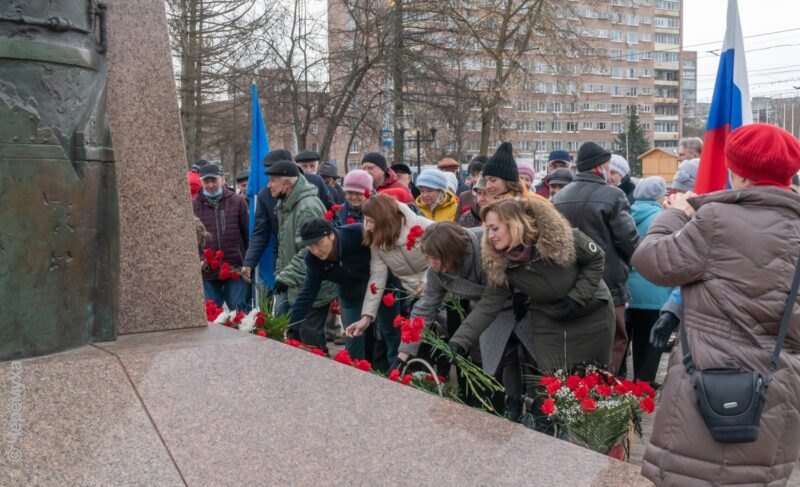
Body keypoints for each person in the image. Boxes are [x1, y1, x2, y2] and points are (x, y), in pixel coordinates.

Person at [631, 124, 800, 485]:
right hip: (778, 389)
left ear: (736, 171)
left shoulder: (716, 218)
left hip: (707, 385)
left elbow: (651, 260)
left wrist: (675, 213)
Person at [448, 197, 614, 426]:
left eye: (495, 228)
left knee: (591, 379)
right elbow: (488, 304)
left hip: (590, 314)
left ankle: (591, 431)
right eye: (487, 230)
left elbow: (596, 258)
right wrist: (459, 341)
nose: (490, 235)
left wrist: (576, 298)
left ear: (514, 224)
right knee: (552, 383)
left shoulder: (560, 237)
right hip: (550, 319)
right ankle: (551, 432)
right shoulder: (500, 262)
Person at [397, 221, 522, 413]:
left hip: (521, 303)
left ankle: (537, 413)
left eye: (436, 258)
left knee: (533, 364)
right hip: (484, 314)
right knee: (491, 367)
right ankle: (504, 409)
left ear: (453, 253)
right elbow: (425, 308)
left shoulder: (485, 248)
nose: (433, 264)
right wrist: (403, 355)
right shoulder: (437, 273)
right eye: (428, 258)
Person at [552, 141, 639, 375]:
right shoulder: (613, 195)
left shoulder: (558, 198)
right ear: (600, 167)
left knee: (578, 341)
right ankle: (605, 395)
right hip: (609, 283)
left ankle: (578, 394)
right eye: (608, 166)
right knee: (614, 341)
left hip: (569, 283)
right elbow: (629, 241)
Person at [344, 194, 433, 364]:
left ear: (384, 218)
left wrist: (427, 279)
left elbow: (445, 252)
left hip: (441, 286)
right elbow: (377, 277)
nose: (367, 227)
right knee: (421, 345)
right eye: (366, 220)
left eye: (371, 221)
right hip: (414, 295)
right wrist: (367, 317)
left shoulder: (422, 226)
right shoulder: (378, 241)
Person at [265, 160, 336, 351]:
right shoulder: (285, 202)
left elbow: (311, 250)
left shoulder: (307, 207)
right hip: (296, 285)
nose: (269, 185)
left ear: (287, 184)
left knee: (311, 344)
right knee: (297, 340)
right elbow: (285, 246)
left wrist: (285, 276)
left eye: (273, 180)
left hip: (312, 287)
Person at [241, 149, 333, 284]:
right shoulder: (265, 195)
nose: (269, 183)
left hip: (315, 255)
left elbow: (332, 214)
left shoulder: (315, 182)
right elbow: (260, 232)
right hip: (284, 259)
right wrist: (249, 261)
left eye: (275, 174)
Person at [288, 218, 374, 359]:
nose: (315, 250)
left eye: (319, 243)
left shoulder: (357, 233)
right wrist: (291, 326)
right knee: (353, 341)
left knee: (383, 336)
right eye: (310, 246)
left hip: (378, 288)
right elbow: (308, 293)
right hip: (350, 294)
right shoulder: (312, 260)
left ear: (331, 235)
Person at [624, 177, 671, 383]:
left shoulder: (625, 214)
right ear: (660, 196)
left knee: (625, 341)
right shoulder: (662, 218)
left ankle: (621, 386)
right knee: (650, 343)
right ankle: (643, 387)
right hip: (654, 290)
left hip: (627, 289)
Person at [192, 164, 250, 311]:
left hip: (235, 266)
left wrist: (249, 262)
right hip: (207, 270)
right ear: (201, 182)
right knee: (210, 312)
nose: (210, 185)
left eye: (214, 180)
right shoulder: (194, 206)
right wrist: (198, 259)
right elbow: (191, 239)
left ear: (223, 180)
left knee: (239, 310)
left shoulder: (237, 202)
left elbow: (248, 234)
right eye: (206, 181)